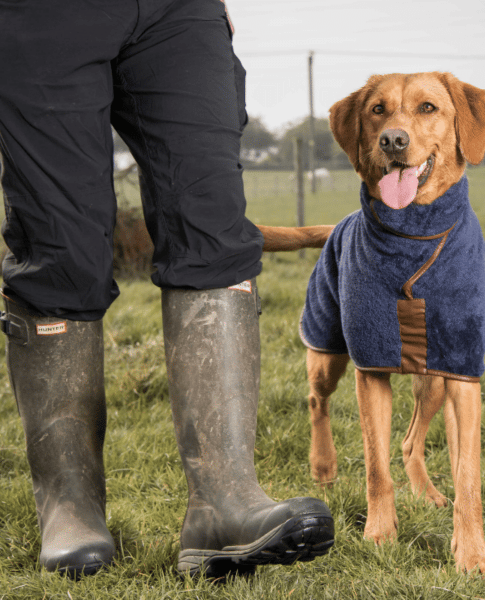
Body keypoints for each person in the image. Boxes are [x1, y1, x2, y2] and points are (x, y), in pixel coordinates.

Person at [0, 0, 334, 579]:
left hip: (176, 11)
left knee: (214, 227)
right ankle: (70, 507)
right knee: (62, 242)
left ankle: (223, 504)